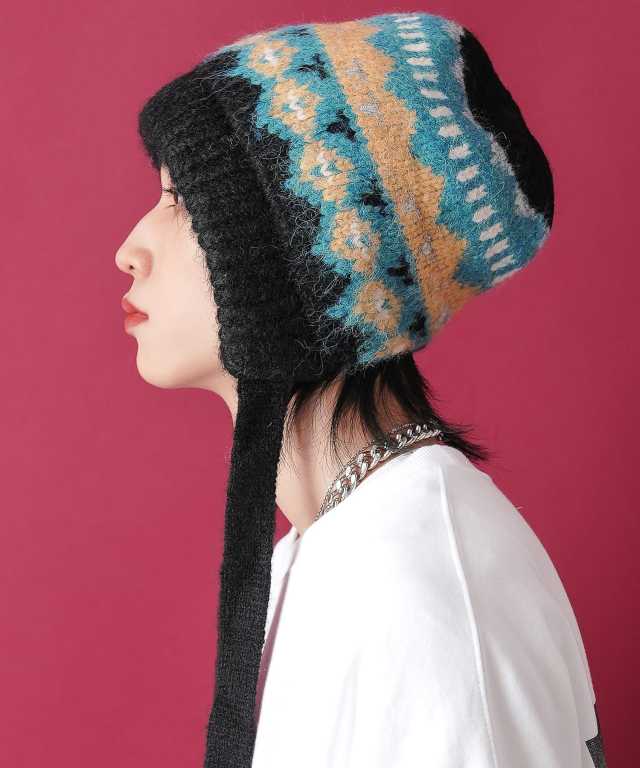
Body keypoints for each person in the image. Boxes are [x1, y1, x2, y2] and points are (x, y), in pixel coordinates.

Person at [115, 10, 608, 768]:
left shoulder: (419, 590)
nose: (130, 249)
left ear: (301, 261)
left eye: (181, 199)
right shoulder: (343, 550)